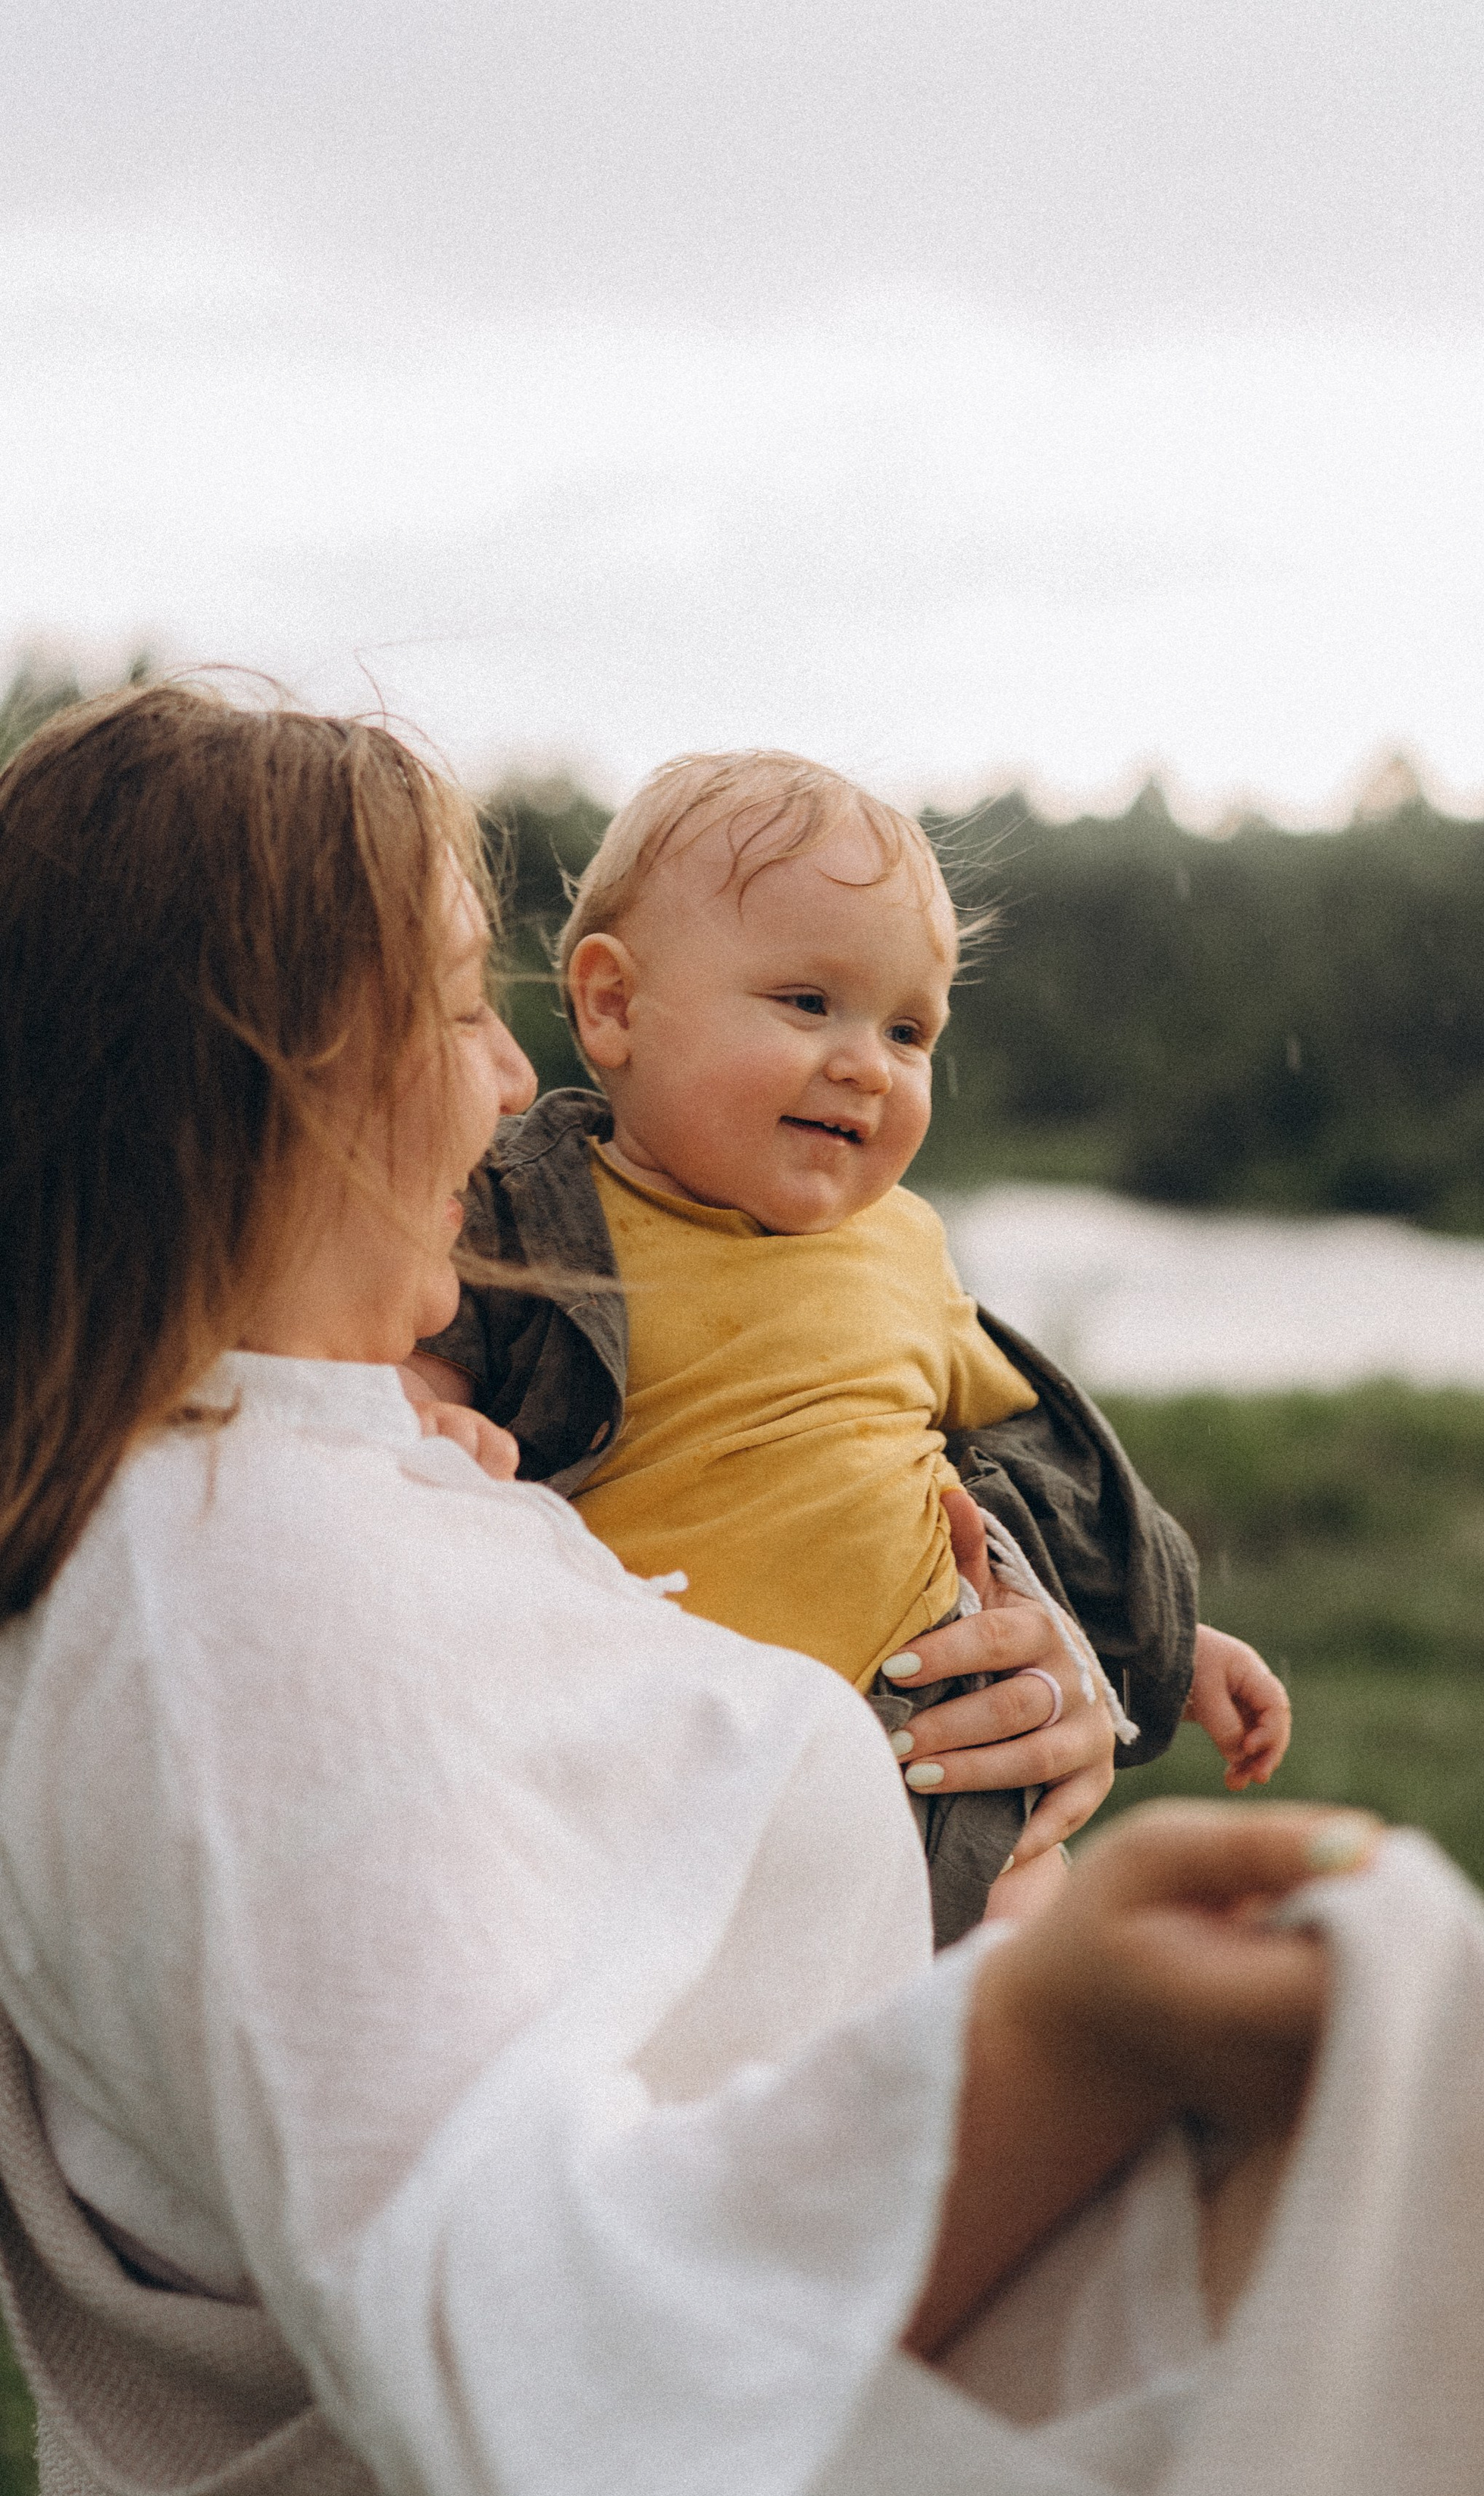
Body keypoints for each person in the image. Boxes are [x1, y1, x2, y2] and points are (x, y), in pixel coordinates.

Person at [8, 684, 1484, 2496]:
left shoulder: (298, 1494)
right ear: (265, 1069)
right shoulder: (234, 1588)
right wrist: (1066, 2032)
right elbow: (506, 2319)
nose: (516, 1077)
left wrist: (1005, 1628)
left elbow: (638, 1722)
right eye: (458, 1004)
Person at [405, 749, 1291, 1940]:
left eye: (910, 1030)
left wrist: (1171, 1651)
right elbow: (415, 1381)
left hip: (936, 1770)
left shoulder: (905, 1247)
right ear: (613, 1006)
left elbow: (1052, 1465)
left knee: (1028, 1965)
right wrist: (427, 1421)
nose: (867, 1063)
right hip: (669, 1782)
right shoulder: (533, 1220)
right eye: (808, 1003)